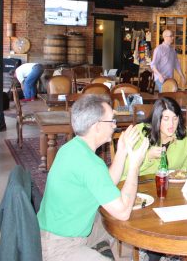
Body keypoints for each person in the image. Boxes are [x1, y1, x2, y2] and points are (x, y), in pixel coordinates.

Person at [37, 94, 149, 260]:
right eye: (111, 120)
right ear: (97, 126)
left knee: (116, 226)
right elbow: (123, 211)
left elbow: (107, 183)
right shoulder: (89, 163)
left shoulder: (71, 148)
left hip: (58, 231)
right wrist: (134, 166)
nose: (114, 125)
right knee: (123, 219)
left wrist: (122, 150)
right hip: (60, 245)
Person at [120, 97, 187, 180]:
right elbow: (123, 168)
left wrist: (178, 177)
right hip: (138, 184)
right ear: (157, 119)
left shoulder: (184, 134)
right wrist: (148, 156)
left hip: (170, 186)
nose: (171, 124)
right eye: (166, 119)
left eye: (175, 118)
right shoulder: (139, 133)